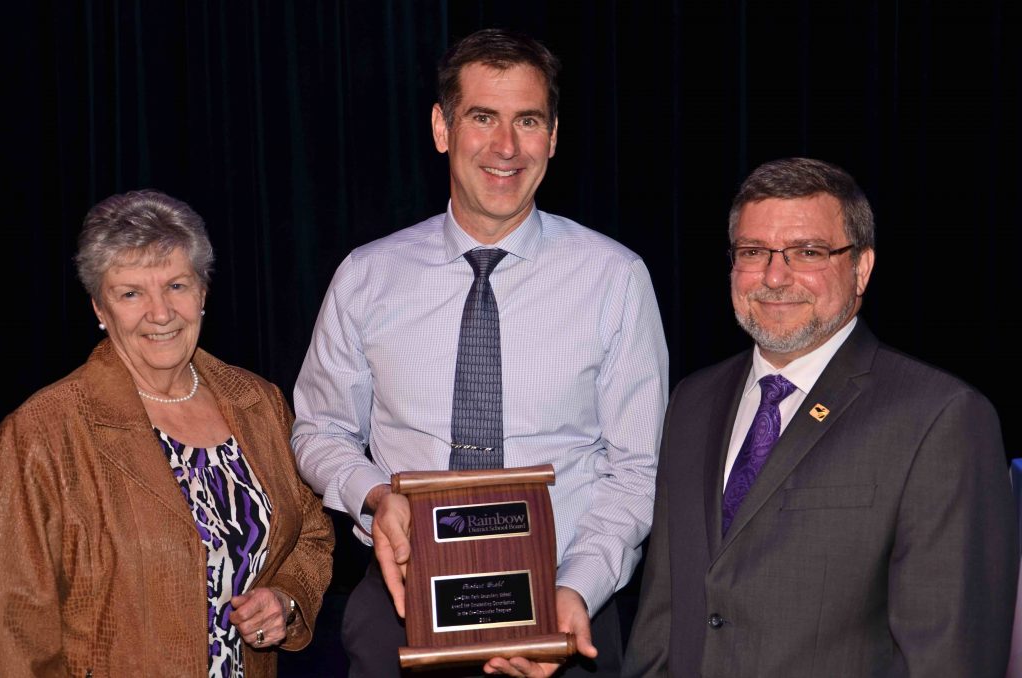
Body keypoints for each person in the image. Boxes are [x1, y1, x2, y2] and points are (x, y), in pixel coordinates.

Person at [293, 28, 668, 677]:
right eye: (482, 118)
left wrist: (574, 591)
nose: (505, 146)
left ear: (552, 136)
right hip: (401, 610)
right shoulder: (367, 276)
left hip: (563, 613)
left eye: (528, 121)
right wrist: (375, 496)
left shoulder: (615, 279)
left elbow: (636, 470)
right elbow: (319, 429)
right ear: (442, 127)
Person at [623, 157, 1018, 677]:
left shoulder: (941, 418)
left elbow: (949, 656)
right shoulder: (692, 402)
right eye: (753, 252)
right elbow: (662, 621)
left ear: (862, 268)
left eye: (808, 252)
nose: (774, 275)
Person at [0, 190, 334, 677]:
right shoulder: (42, 433)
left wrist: (285, 599)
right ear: (99, 307)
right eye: (131, 293)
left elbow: (312, 534)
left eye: (176, 285)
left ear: (202, 292)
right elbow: (16, 628)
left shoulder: (258, 402)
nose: (160, 313)